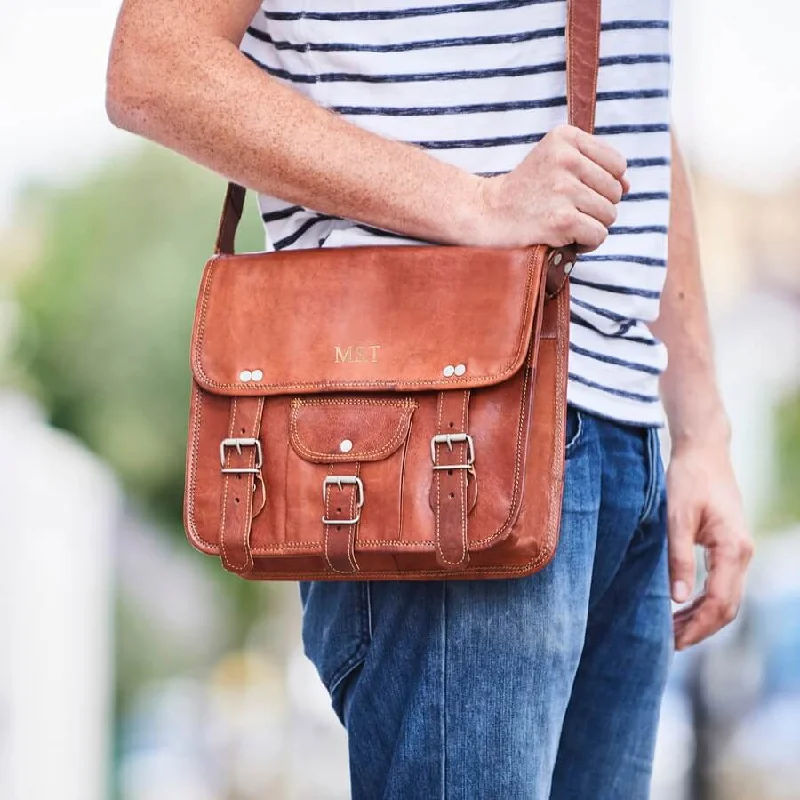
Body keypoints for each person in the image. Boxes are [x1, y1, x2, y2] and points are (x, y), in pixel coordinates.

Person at [106, 1, 753, 797]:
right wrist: (478, 203)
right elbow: (154, 65)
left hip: (628, 435)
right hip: (443, 430)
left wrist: (700, 430)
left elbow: (632, 118)